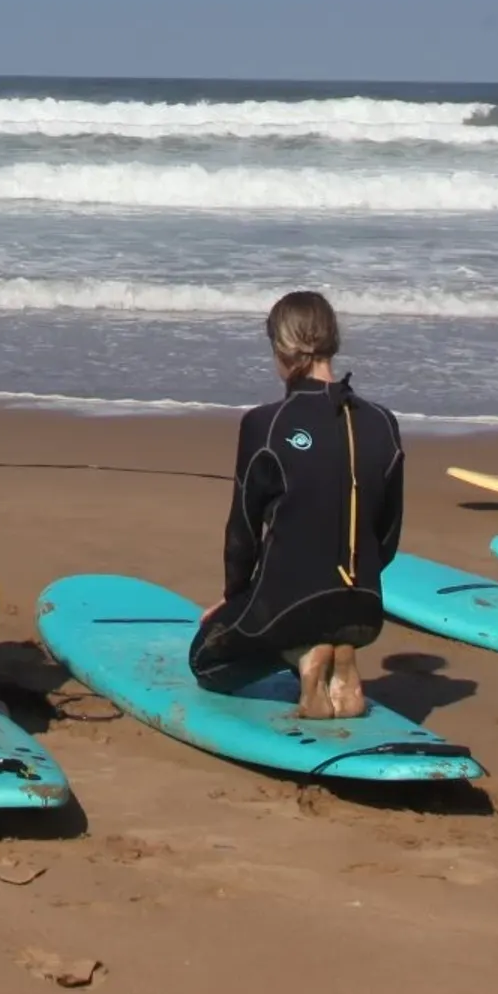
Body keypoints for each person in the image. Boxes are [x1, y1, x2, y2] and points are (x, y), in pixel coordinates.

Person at [191, 291, 403, 719]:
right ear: (333, 341)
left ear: (281, 349)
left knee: (205, 662)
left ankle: (307, 653)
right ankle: (339, 650)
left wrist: (235, 598)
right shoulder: (383, 423)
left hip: (291, 607)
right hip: (364, 608)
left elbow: (242, 535)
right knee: (322, 616)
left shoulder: (264, 424)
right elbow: (388, 536)